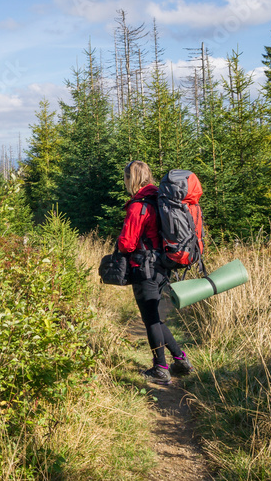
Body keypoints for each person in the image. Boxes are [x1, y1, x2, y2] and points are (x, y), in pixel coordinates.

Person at [118, 160, 192, 385]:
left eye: (127, 177)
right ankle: (180, 359)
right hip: (161, 266)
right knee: (155, 318)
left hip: (144, 267)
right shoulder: (159, 199)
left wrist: (120, 241)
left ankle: (161, 368)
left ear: (132, 178)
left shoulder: (138, 204)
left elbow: (127, 244)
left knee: (150, 319)